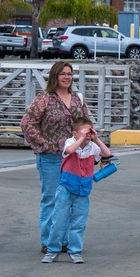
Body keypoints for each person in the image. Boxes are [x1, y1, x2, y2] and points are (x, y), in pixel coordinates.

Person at [21, 60, 91, 254]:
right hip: (51, 158)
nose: (67, 77)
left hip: (74, 157)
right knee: (51, 198)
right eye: (62, 73)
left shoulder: (77, 99)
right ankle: (49, 240)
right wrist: (44, 144)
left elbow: (85, 123)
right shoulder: (44, 99)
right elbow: (27, 124)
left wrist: (89, 145)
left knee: (69, 199)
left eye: (69, 73)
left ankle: (63, 240)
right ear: (55, 76)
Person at [41, 116, 112, 263]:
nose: (87, 135)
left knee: (79, 223)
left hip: (83, 190)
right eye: (84, 132)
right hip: (66, 188)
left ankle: (75, 251)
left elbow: (107, 154)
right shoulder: (70, 142)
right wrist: (80, 139)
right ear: (74, 134)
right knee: (59, 221)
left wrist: (96, 139)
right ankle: (52, 249)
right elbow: (70, 150)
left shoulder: (93, 147)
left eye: (90, 132)